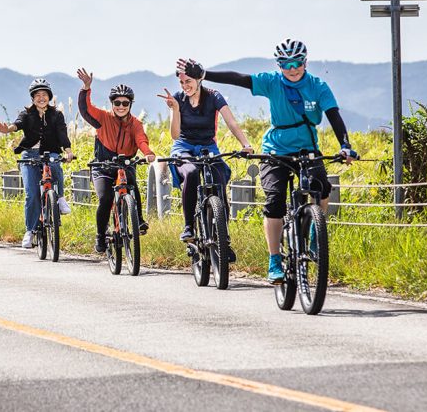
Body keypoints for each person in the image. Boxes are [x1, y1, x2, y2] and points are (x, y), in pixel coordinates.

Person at [177, 38, 358, 284]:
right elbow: (240, 79)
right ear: (279, 65)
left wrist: (345, 145)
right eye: (286, 64)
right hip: (276, 149)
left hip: (307, 148)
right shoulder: (272, 82)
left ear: (305, 62)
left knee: (322, 186)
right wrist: (204, 74)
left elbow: (334, 116)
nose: (292, 68)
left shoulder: (318, 86)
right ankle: (274, 260)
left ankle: (316, 233)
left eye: (297, 63)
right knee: (274, 202)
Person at [157, 68, 254, 244]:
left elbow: (231, 122)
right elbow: (175, 135)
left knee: (219, 179)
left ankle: (224, 238)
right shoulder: (177, 98)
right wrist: (175, 109)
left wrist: (245, 144)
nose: (185, 86)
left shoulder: (214, 96)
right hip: (183, 147)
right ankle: (188, 227)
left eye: (188, 81)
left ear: (198, 80)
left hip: (208, 146)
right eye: (182, 82)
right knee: (191, 172)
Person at [76, 68, 155, 254]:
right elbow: (85, 109)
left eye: (125, 103)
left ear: (130, 104)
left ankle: (139, 219)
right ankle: (100, 235)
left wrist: (148, 152)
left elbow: (141, 139)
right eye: (117, 102)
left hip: (125, 163)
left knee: (133, 186)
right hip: (103, 166)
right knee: (105, 199)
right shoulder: (103, 118)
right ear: (112, 103)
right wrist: (86, 88)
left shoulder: (135, 123)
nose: (121, 106)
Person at [0, 78, 74, 249]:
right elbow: (17, 124)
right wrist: (7, 129)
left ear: (49, 97)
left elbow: (62, 134)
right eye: (37, 95)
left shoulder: (57, 114)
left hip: (50, 151)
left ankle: (59, 198)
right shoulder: (26, 114)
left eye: (44, 94)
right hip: (29, 154)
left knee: (55, 165)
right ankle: (30, 231)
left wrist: (68, 151)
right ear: (32, 98)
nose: (41, 98)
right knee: (31, 194)